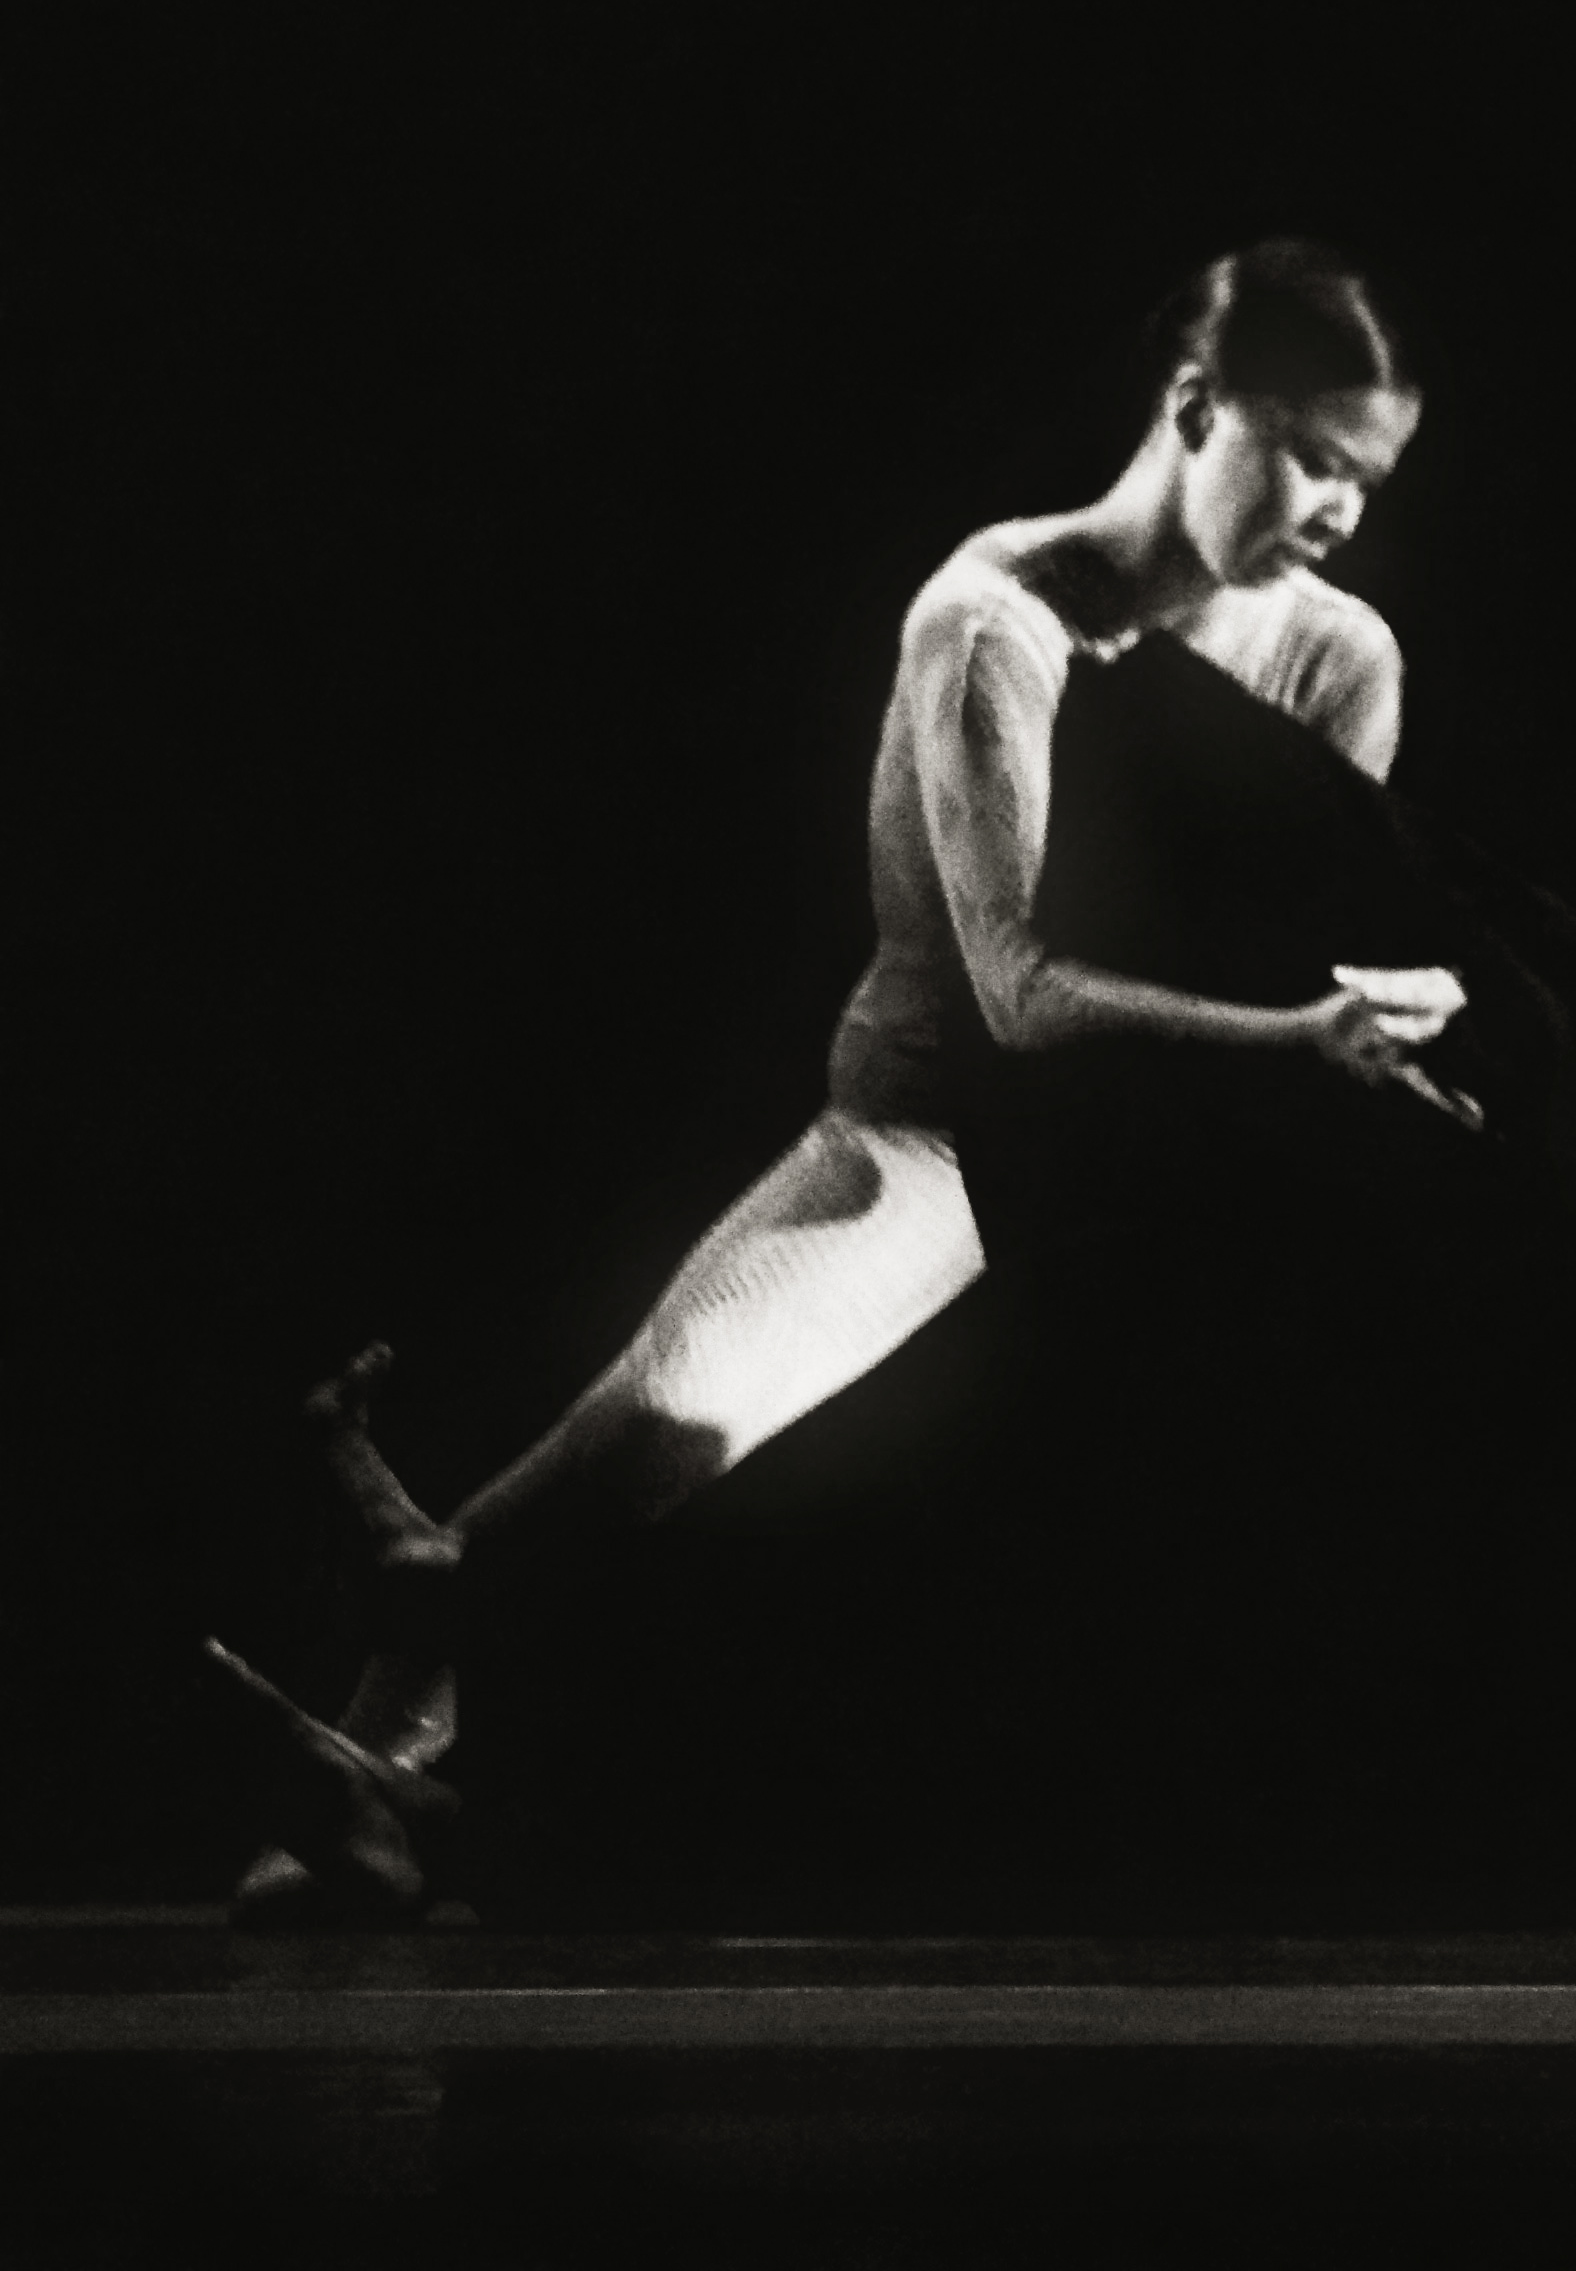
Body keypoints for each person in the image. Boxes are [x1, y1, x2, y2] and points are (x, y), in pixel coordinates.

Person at [244, 246, 1461, 1908]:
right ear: (1195, 407)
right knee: (657, 1436)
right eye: (1314, 459)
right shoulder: (993, 618)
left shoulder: (1341, 655)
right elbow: (1015, 994)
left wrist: (1358, 1030)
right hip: (932, 1136)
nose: (1340, 514)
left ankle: (412, 1657)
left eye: (1369, 480)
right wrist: (1297, 1038)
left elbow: (1304, 940)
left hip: (1168, 1160)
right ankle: (364, 1767)